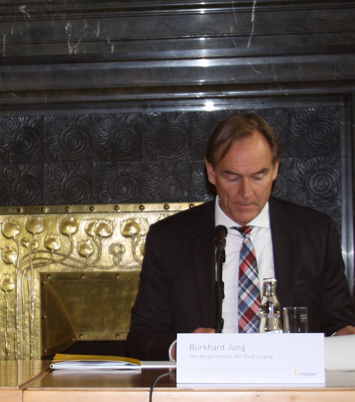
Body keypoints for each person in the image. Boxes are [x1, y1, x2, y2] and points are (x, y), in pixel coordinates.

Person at [127, 113, 355, 360]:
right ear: (211, 172)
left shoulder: (315, 233)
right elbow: (142, 336)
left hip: (292, 386)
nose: (246, 192)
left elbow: (339, 324)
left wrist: (342, 339)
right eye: (232, 177)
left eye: (258, 176)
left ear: (275, 170)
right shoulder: (169, 239)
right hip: (204, 392)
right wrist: (180, 349)